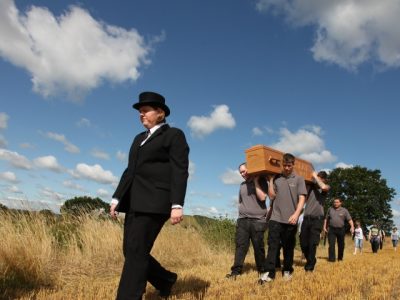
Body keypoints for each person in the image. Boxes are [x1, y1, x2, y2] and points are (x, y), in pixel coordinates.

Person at [110, 91, 189, 300]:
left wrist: (177, 204)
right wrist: (117, 198)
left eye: (145, 111)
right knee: (131, 250)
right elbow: (130, 171)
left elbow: (180, 170)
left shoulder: (174, 135)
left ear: (160, 113)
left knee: (136, 252)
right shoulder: (138, 139)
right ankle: (165, 279)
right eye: (139, 111)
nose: (141, 114)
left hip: (156, 202)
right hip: (134, 202)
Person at [259, 153, 307, 284]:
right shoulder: (277, 179)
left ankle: (287, 270)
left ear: (293, 165)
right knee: (272, 246)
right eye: (285, 165)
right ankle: (269, 273)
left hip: (291, 219)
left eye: (289, 165)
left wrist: (296, 214)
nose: (286, 168)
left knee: (288, 247)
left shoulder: (299, 179)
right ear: (282, 164)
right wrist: (270, 181)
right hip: (275, 218)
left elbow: (302, 198)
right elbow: (272, 196)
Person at [225, 163, 269, 279]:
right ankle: (236, 272)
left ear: (251, 169)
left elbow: (263, 197)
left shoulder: (262, 181)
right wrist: (240, 214)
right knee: (240, 247)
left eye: (244, 171)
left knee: (258, 247)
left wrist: (255, 181)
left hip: (258, 221)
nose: (242, 174)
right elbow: (240, 201)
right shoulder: (242, 185)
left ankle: (262, 271)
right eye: (241, 172)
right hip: (243, 221)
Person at [300, 171, 330, 272]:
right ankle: (312, 259)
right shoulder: (310, 187)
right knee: (303, 243)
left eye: (320, 178)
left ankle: (309, 268)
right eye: (318, 177)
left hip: (317, 220)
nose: (317, 179)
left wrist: (315, 177)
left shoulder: (325, 188)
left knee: (312, 243)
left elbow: (323, 187)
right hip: (306, 218)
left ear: (324, 179)